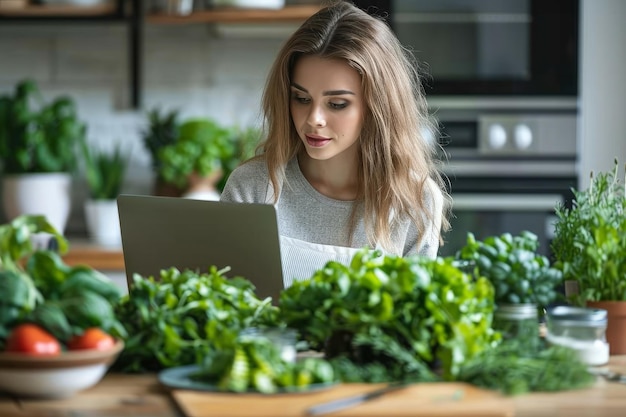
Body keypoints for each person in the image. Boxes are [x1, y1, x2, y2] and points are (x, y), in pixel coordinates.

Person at [220, 0, 451, 286]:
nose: (314, 118)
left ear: (377, 107)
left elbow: (410, 323)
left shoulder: (415, 201)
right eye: (301, 99)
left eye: (337, 104)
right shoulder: (251, 188)